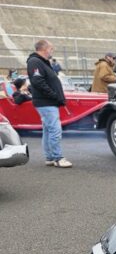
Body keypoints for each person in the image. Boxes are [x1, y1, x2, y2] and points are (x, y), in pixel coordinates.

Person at [27, 39, 71, 168]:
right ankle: (58, 158)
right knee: (55, 130)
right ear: (44, 49)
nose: (52, 51)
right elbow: (38, 82)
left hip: (47, 101)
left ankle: (50, 157)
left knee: (48, 130)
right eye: (51, 48)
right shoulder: (35, 61)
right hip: (46, 102)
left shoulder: (41, 62)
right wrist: (54, 95)